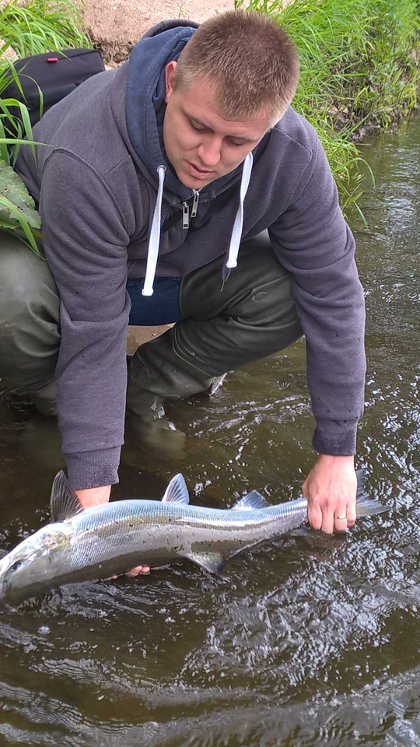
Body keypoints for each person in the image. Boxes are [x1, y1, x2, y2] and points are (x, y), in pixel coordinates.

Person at [0, 11, 365, 551]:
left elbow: (335, 293)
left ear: (271, 124)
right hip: (71, 278)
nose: (210, 157)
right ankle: (52, 399)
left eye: (238, 142)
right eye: (197, 126)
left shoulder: (293, 155)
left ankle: (144, 386)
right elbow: (96, 327)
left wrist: (338, 453)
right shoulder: (89, 157)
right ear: (172, 81)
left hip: (177, 274)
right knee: (8, 292)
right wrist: (95, 517)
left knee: (296, 293)